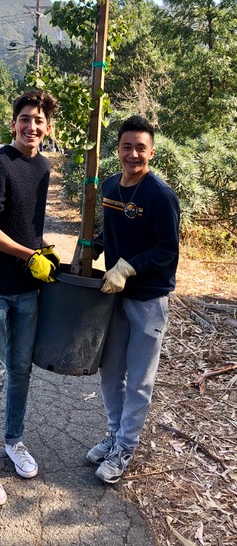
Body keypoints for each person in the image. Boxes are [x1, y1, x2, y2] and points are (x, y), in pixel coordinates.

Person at [0, 90, 60, 506]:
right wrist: (30, 254)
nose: (32, 127)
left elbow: (27, 224)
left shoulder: (42, 167)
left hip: (27, 288)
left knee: (21, 370)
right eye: (25, 119)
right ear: (13, 123)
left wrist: (43, 248)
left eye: (39, 120)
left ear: (48, 127)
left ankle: (13, 441)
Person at [86, 115, 180, 484]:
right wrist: (91, 248)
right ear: (118, 149)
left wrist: (127, 267)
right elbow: (110, 233)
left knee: (139, 379)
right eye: (127, 146)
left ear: (151, 152)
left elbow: (166, 250)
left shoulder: (160, 195)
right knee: (110, 372)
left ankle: (126, 445)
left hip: (147, 300)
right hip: (113, 299)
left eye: (141, 147)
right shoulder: (110, 187)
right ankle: (113, 434)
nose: (133, 154)